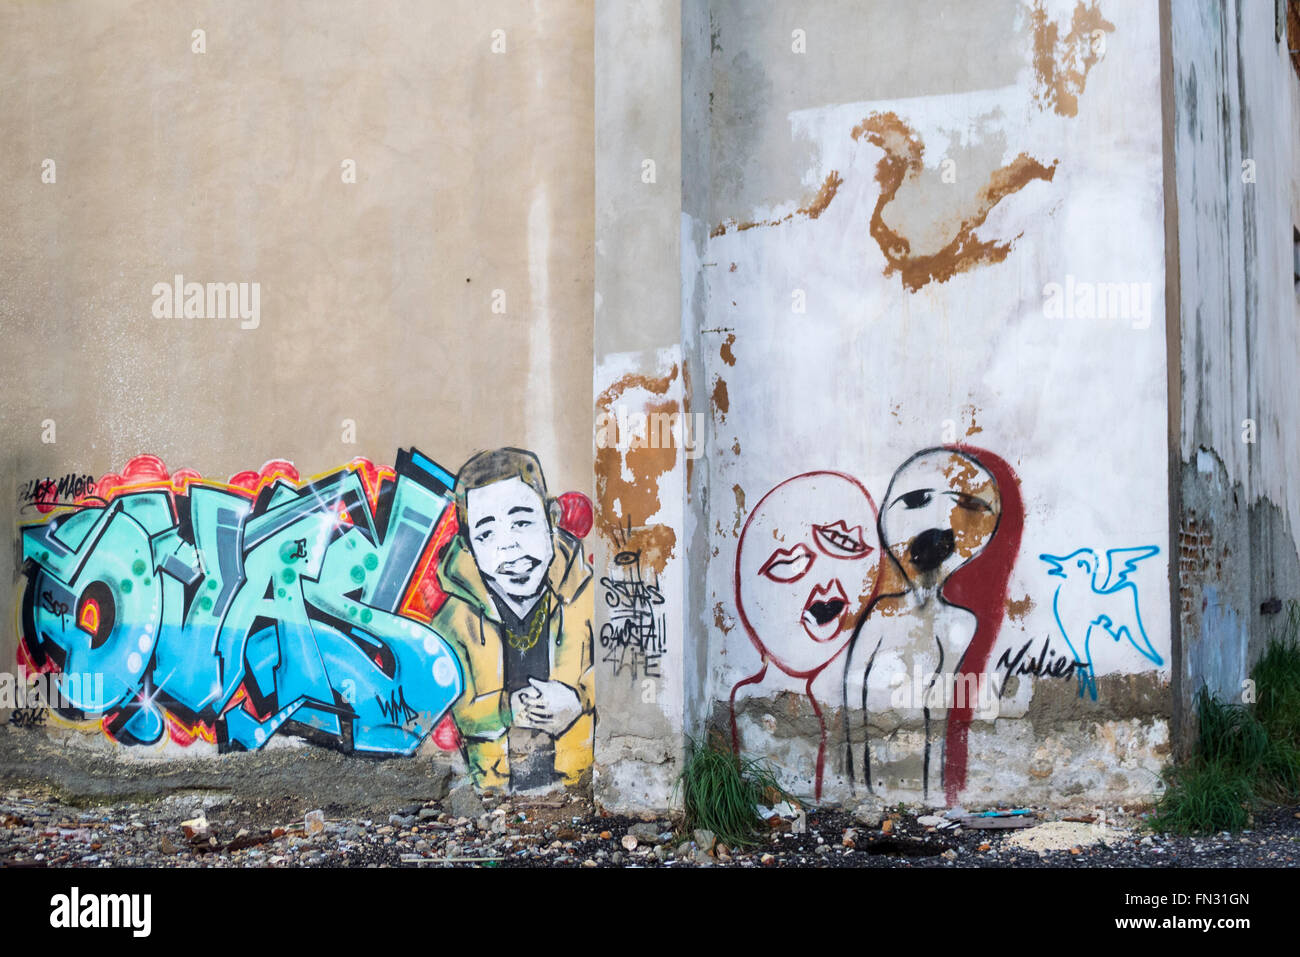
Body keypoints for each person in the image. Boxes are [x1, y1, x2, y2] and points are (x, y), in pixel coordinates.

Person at [430, 448, 594, 791]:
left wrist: (578, 699)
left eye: (522, 521)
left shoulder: (586, 593)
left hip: (578, 782)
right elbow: (453, 707)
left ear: (550, 519)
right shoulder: (455, 619)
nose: (509, 547)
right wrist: (508, 708)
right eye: (486, 533)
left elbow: (626, 670)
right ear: (469, 547)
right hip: (492, 785)